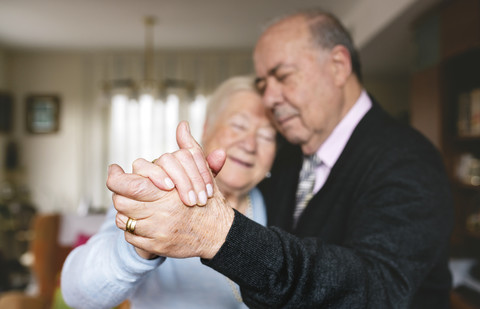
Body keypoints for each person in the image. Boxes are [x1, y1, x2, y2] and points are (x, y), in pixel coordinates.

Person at [107, 9, 454, 309]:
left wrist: (218, 235)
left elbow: (377, 293)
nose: (269, 98)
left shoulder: (408, 159)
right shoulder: (284, 156)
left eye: (283, 76)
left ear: (337, 66)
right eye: (262, 83)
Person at [60, 75, 277, 309]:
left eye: (267, 136)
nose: (250, 145)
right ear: (206, 127)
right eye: (238, 126)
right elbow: (78, 295)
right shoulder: (158, 191)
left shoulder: (280, 206)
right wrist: (141, 242)